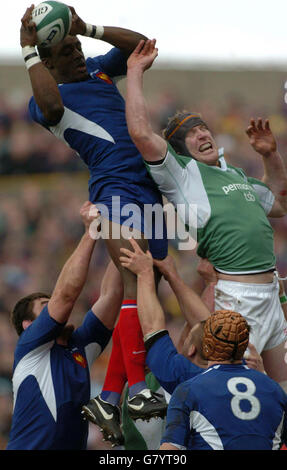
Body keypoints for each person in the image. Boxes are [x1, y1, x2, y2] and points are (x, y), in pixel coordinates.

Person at [20, 6, 168, 446]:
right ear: (47, 62)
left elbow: (142, 45)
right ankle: (136, 390)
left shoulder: (99, 70)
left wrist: (88, 28)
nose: (79, 53)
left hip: (150, 188)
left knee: (144, 287)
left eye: (78, 44)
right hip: (115, 190)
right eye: (67, 50)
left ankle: (108, 395)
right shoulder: (45, 100)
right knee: (133, 278)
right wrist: (28, 50)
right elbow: (48, 104)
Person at [124, 39, 287, 391]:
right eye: (190, 134)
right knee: (254, 393)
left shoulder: (237, 176)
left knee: (282, 396)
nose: (201, 133)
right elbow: (140, 132)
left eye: (203, 128)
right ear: (180, 151)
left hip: (272, 294)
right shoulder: (182, 176)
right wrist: (134, 72)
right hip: (239, 299)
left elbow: (279, 203)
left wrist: (270, 156)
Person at [6, 201, 123, 450]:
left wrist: (125, 232)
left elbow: (111, 295)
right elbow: (66, 296)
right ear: (29, 325)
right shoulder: (30, 347)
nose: (54, 310)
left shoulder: (79, 346)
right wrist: (91, 231)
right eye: (44, 307)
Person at [159, 310, 287, 450]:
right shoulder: (275, 390)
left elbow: (170, 449)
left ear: (206, 347)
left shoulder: (189, 390)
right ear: (244, 345)